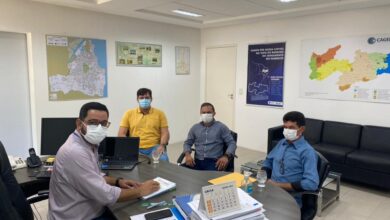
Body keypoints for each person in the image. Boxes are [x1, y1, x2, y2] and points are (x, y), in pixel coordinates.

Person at [49, 102, 160, 220]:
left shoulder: (89, 143)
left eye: (103, 124)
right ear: (79, 124)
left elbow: (94, 175)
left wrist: (118, 181)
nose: (98, 128)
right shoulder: (74, 152)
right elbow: (106, 195)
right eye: (92, 123)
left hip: (90, 210)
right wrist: (141, 190)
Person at [262, 111, 319, 207]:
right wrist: (263, 174)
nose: (287, 131)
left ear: (301, 129)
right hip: (270, 191)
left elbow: (311, 183)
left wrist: (277, 185)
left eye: (291, 128)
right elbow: (268, 161)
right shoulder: (282, 143)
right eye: (285, 127)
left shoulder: (307, 152)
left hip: (290, 199)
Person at [118, 88, 170, 161]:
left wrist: (162, 146)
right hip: (135, 147)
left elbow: (165, 133)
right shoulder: (128, 114)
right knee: (126, 164)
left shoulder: (160, 114)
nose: (144, 100)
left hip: (154, 147)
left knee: (163, 160)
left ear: (151, 99)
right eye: (141, 98)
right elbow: (121, 134)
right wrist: (129, 148)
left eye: (147, 98)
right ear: (137, 99)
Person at [183, 102, 237, 171]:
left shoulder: (221, 127)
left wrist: (226, 156)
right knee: (180, 173)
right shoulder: (195, 128)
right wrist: (187, 155)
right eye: (203, 113)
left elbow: (232, 143)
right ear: (200, 114)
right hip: (197, 161)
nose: (206, 114)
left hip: (214, 162)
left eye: (209, 112)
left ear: (214, 113)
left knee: (207, 180)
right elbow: (187, 143)